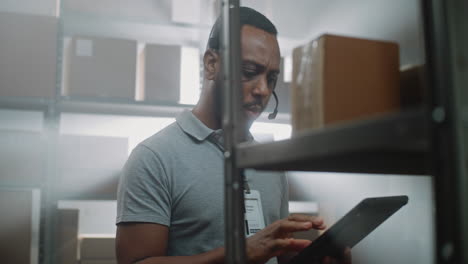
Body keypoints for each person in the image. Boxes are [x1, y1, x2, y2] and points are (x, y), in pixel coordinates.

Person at [116, 6, 351, 264]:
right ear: (211, 64)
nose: (262, 89)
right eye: (249, 72)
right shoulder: (154, 158)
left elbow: (272, 255)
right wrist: (237, 254)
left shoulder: (269, 164)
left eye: (271, 78)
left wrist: (311, 258)